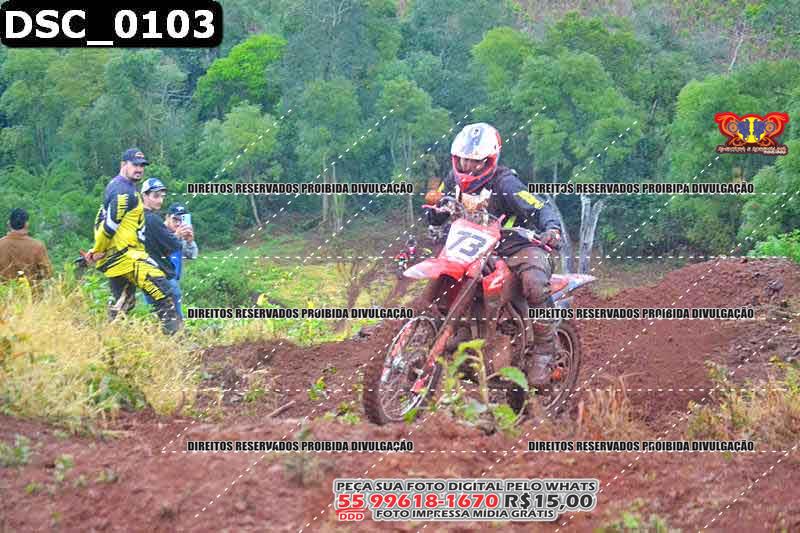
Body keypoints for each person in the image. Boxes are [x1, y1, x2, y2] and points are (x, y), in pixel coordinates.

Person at [424, 123, 562, 386]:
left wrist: (552, 229)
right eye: (463, 160)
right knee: (444, 273)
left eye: (474, 162)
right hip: (475, 246)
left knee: (534, 283)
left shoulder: (505, 182)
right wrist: (436, 211)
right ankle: (430, 328)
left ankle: (545, 351)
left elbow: (538, 205)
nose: (467, 166)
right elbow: (437, 209)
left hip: (517, 247)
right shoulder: (452, 179)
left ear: (489, 160)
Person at [81, 149, 179, 335]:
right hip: (127, 258)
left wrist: (97, 250)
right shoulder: (124, 192)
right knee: (166, 295)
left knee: (124, 302)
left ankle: (106, 340)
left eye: (142, 165)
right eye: (135, 164)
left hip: (118, 258)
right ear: (123, 164)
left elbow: (102, 220)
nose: (139, 169)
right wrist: (98, 250)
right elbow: (109, 226)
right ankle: (176, 343)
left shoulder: (117, 186)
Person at [140, 178, 192, 323]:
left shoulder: (138, 217)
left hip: (146, 274)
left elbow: (188, 253)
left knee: (158, 314)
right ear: (144, 196)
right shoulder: (152, 219)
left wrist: (188, 241)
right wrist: (178, 236)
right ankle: (176, 332)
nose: (160, 200)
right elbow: (173, 245)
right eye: (156, 196)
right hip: (159, 274)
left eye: (162, 196)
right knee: (171, 313)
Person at [0, 208, 52, 285]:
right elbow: (47, 273)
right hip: (31, 291)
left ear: (9, 223)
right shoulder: (37, 246)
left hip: (5, 292)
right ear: (26, 224)